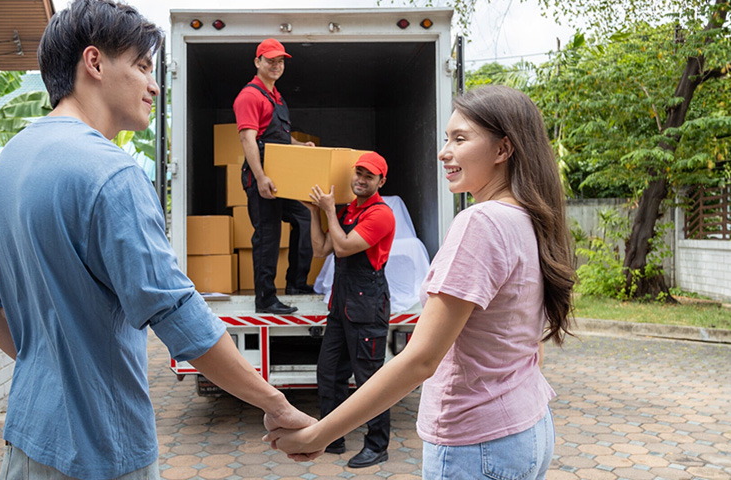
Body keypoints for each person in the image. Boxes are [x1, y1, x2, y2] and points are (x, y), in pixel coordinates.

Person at [0, 2, 315, 479]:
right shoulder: (112, 174)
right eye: (142, 66)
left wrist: (53, 363)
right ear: (95, 63)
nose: (154, 84)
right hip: (101, 446)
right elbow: (177, 315)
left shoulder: (9, 164)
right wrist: (274, 402)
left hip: (26, 438)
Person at [264, 85, 576, 480]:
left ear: (503, 150)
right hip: (525, 425)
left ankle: (372, 444)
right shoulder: (529, 218)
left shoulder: (479, 223)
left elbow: (421, 360)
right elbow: (529, 342)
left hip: (477, 443)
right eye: (446, 138)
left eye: (460, 139)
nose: (444, 151)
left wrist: (319, 435)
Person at [305, 152, 396, 468]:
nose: (360, 179)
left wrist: (329, 211)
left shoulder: (381, 214)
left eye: (368, 176)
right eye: (358, 173)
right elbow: (321, 249)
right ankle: (332, 436)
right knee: (329, 372)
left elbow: (343, 247)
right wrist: (315, 214)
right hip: (343, 303)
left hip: (367, 305)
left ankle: (377, 444)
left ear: (380, 181)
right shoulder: (348, 211)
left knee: (369, 379)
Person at [233, 38, 316, 314]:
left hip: (283, 178)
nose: (276, 65)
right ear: (258, 62)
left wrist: (299, 146)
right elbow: (248, 140)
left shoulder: (276, 97)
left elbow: (278, 136)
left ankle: (296, 283)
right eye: (270, 60)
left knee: (305, 218)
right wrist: (260, 177)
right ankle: (266, 299)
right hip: (263, 179)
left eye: (280, 61)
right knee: (268, 236)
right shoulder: (249, 96)